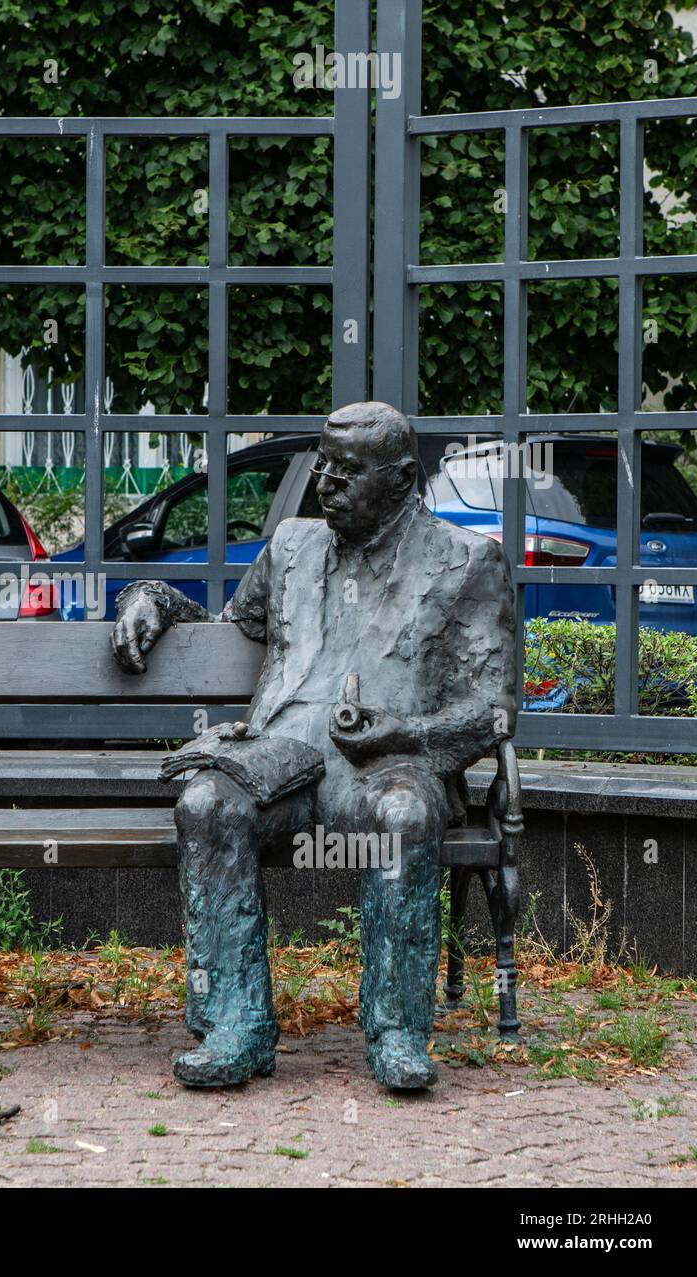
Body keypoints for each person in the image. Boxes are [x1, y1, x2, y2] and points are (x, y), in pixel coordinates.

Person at [111, 402, 516, 1089]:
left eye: (348, 470)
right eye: (323, 463)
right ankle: (236, 1025)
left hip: (388, 765)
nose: (325, 480)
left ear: (401, 480)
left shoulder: (467, 560)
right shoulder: (292, 547)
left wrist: (408, 734)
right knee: (208, 801)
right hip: (284, 759)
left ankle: (395, 1030)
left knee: (404, 818)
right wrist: (148, 596)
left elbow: (496, 709)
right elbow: (229, 622)